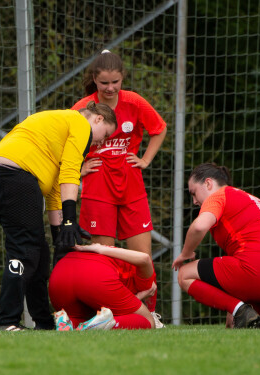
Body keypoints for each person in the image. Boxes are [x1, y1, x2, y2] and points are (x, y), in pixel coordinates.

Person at [0, 101, 117, 331]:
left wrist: (60, 238)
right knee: (24, 249)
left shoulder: (56, 134)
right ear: (98, 119)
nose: (100, 142)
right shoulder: (79, 123)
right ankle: (7, 321)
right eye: (104, 135)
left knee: (39, 253)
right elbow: (70, 172)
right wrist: (70, 219)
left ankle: (44, 323)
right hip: (16, 176)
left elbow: (55, 191)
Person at [71, 50, 167, 327]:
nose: (111, 88)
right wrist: (79, 170)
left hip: (131, 187)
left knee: (143, 259)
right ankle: (105, 316)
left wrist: (146, 159)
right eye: (104, 83)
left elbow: (158, 128)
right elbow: (65, 142)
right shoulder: (82, 109)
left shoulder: (134, 101)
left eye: (116, 82)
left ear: (122, 78)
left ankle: (151, 316)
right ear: (94, 81)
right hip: (98, 188)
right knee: (103, 258)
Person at [172, 163, 260, 328]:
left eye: (194, 193)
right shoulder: (253, 200)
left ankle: (241, 311)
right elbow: (237, 272)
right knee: (241, 265)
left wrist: (186, 253)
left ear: (208, 183)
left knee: (184, 274)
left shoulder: (218, 196)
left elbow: (199, 226)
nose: (194, 201)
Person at [49, 243, 156, 330]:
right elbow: (145, 259)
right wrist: (99, 248)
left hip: (59, 274)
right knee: (148, 321)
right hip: (95, 275)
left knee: (88, 318)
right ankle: (101, 327)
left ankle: (69, 323)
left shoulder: (118, 258)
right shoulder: (146, 282)